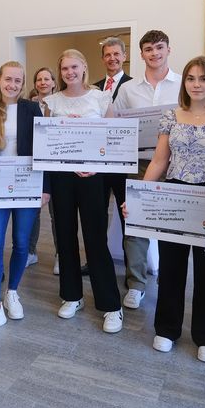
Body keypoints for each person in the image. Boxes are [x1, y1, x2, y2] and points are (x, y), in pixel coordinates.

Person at [123, 56, 205, 363]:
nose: (197, 84)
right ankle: (166, 328)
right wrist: (139, 197)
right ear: (184, 82)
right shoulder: (171, 116)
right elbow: (159, 161)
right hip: (173, 194)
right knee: (172, 267)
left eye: (203, 78)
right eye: (191, 78)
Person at [43, 49, 123, 333]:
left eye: (74, 67)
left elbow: (115, 140)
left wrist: (97, 165)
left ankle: (111, 305)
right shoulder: (51, 102)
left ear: (84, 67)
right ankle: (71, 296)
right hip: (62, 177)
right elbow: (47, 142)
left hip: (92, 178)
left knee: (95, 239)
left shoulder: (101, 98)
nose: (70, 73)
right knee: (64, 237)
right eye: (64, 69)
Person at [0, 62, 49, 334]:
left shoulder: (30, 109)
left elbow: (44, 149)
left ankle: (11, 292)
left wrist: (45, 188)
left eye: (18, 80)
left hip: (27, 187)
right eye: (8, 79)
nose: (12, 85)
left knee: (22, 244)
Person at [112, 30, 181, 309]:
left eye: (159, 48)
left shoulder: (183, 86)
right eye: (149, 49)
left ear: (168, 49)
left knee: (172, 224)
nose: (155, 53)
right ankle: (136, 283)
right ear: (141, 54)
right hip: (140, 164)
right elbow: (112, 122)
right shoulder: (128, 89)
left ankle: (171, 278)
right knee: (135, 223)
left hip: (177, 163)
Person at [95, 37, 132, 291]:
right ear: (103, 58)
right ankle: (98, 263)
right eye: (107, 54)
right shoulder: (93, 88)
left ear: (124, 55)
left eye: (116, 54)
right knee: (96, 216)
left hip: (121, 162)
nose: (112, 58)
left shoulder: (134, 87)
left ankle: (132, 271)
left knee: (126, 216)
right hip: (97, 162)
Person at [28, 67, 58, 269]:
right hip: (34, 162)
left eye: (47, 79)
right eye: (39, 79)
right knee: (33, 210)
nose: (43, 82)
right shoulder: (28, 106)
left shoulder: (60, 103)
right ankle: (30, 251)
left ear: (54, 82)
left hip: (55, 163)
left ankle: (60, 254)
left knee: (58, 212)